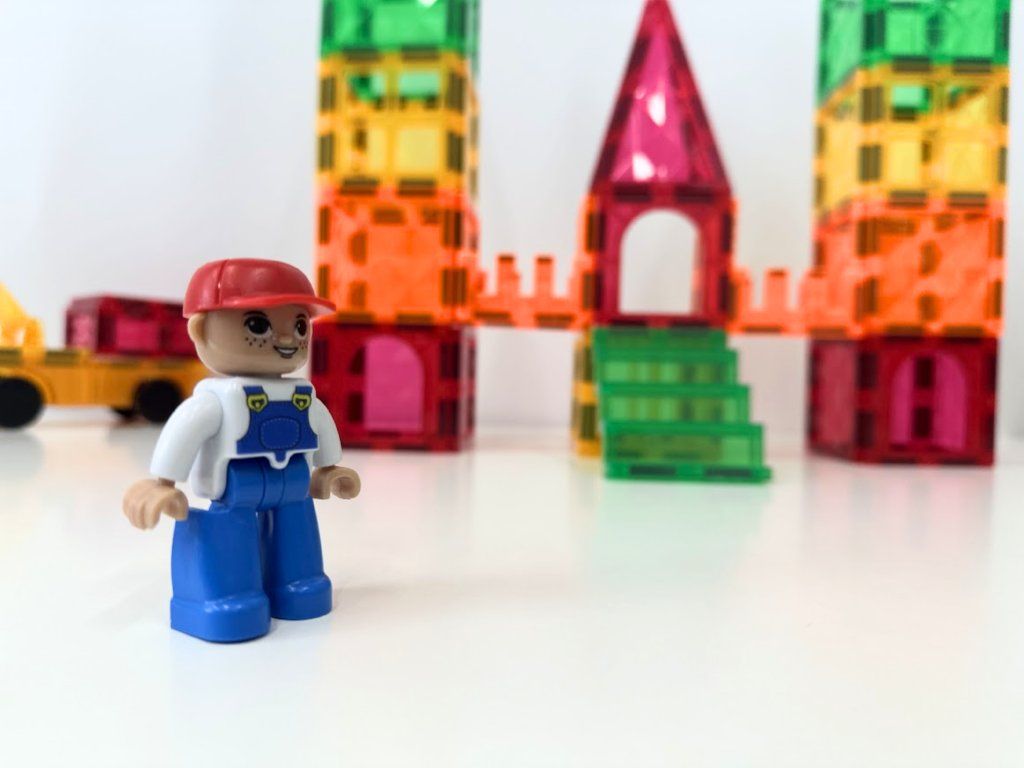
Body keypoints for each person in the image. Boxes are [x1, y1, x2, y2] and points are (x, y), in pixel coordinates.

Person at [122, 258, 360, 642]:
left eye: (300, 326)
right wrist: (162, 482)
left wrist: (329, 468)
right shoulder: (214, 400)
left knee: (298, 540)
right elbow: (182, 432)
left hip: (294, 484)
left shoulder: (302, 395)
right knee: (229, 537)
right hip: (237, 488)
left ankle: (299, 585)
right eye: (258, 325)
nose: (287, 340)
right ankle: (228, 599)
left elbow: (320, 424)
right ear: (201, 330)